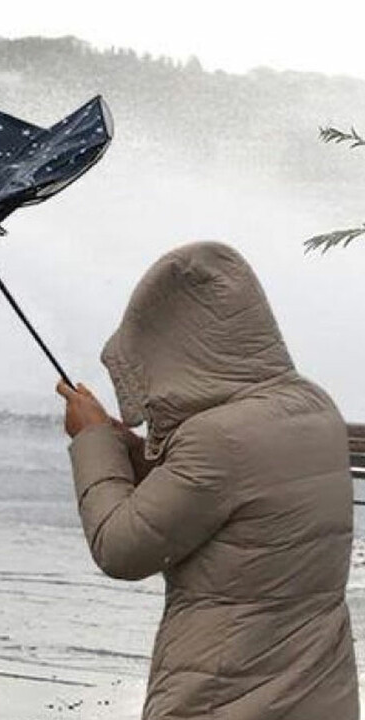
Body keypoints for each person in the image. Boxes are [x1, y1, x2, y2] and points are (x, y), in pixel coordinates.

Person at [56, 241, 358, 719]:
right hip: (316, 691)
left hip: (224, 693)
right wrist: (126, 448)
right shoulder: (312, 405)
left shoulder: (217, 438)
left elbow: (121, 548)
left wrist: (93, 440)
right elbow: (224, 499)